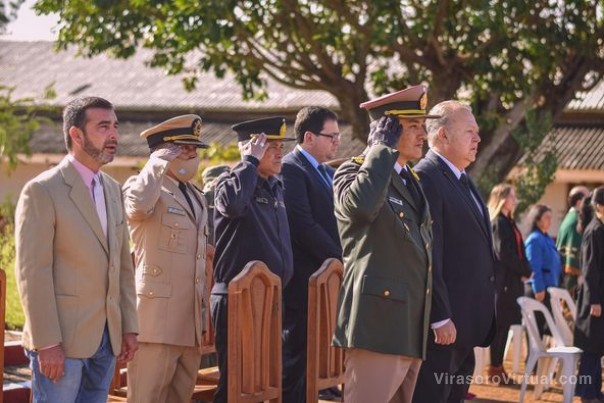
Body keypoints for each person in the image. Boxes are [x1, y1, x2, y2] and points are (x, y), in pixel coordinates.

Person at [14, 96, 138, 403]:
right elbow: (33, 272)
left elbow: (122, 263)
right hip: (61, 344)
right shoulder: (42, 190)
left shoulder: (112, 189)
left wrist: (128, 327)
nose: (114, 135)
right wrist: (46, 343)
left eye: (115, 127)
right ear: (76, 134)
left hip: (107, 341)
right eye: (103, 127)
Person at [332, 85, 435, 403]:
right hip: (377, 326)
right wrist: (379, 150)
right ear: (386, 129)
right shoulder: (353, 170)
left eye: (423, 126)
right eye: (412, 126)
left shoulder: (411, 181)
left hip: (408, 327)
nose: (423, 135)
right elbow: (360, 208)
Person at [412, 100, 496, 403]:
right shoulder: (428, 178)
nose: (478, 139)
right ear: (442, 135)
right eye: (469, 132)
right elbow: (428, 253)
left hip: (466, 327)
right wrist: (439, 316)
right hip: (444, 329)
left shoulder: (463, 178)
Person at [122, 115, 210, 402]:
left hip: (189, 324)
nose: (191, 155)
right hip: (156, 324)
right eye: (182, 148)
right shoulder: (144, 187)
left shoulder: (195, 196)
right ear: (163, 150)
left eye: (193, 149)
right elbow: (137, 207)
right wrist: (156, 164)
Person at [211, 116, 295, 403]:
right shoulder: (230, 181)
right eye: (270, 145)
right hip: (238, 300)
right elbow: (233, 205)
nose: (279, 151)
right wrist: (248, 163)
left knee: (262, 384)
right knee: (237, 385)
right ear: (250, 148)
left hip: (269, 300)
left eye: (280, 145)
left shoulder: (275, 185)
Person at [280, 106, 343, 402]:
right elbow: (303, 225)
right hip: (304, 282)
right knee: (298, 361)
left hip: (328, 281)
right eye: (331, 136)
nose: (337, 142)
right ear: (308, 137)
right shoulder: (291, 168)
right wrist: (341, 257)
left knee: (320, 363)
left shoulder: (328, 172)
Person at [486, 184, 532, 384]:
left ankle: (499, 367)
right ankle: (494, 369)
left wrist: (526, 270)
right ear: (503, 199)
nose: (515, 200)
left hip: (511, 283)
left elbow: (519, 250)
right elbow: (503, 253)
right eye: (512, 196)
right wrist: (523, 270)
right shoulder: (498, 222)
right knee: (499, 327)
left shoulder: (509, 222)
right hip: (503, 283)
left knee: (505, 327)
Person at [574, 186, 604, 403]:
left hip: (599, 298)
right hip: (592, 301)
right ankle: (586, 394)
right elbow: (590, 269)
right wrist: (594, 300)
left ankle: (595, 390)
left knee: (598, 346)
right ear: (600, 207)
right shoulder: (594, 231)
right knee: (591, 348)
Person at [524, 204, 561, 336]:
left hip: (549, 291)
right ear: (537, 219)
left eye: (551, 217)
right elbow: (534, 266)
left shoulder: (547, 238)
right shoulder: (534, 239)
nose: (550, 220)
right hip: (539, 293)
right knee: (536, 334)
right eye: (546, 217)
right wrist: (538, 288)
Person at [557, 186, 590, 296]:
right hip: (572, 279)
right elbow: (573, 257)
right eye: (588, 200)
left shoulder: (570, 217)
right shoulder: (575, 221)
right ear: (580, 203)